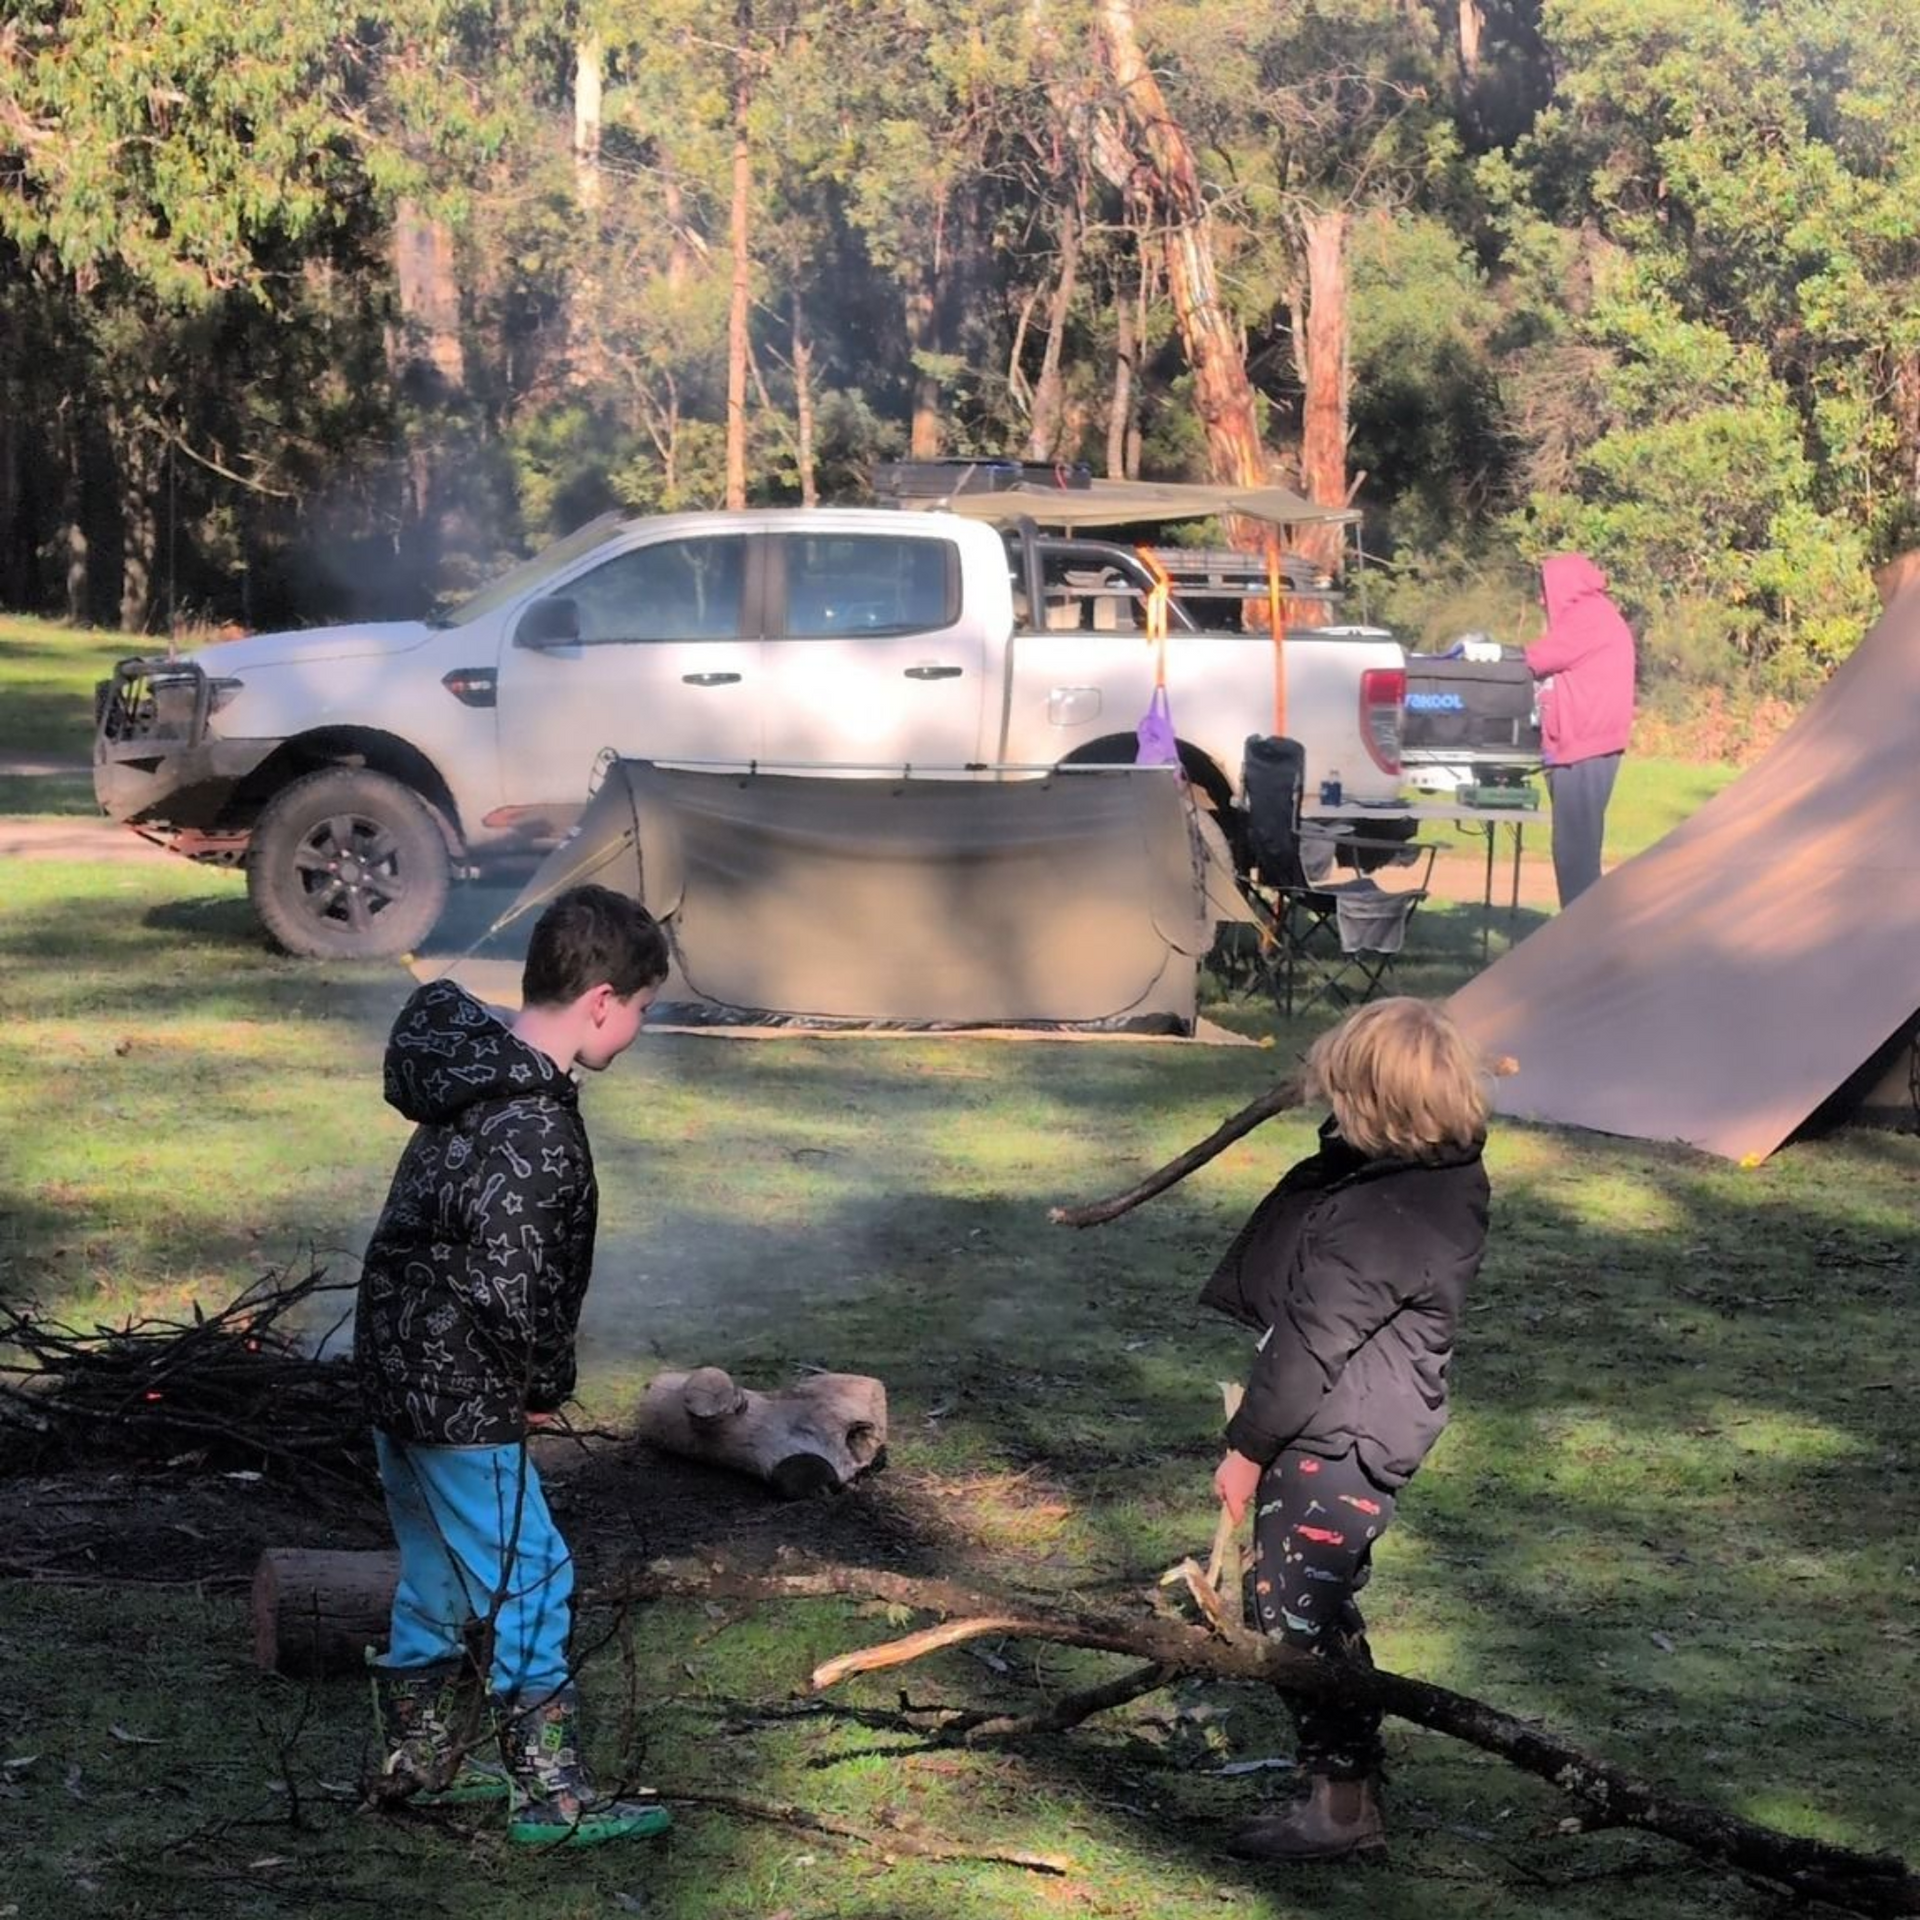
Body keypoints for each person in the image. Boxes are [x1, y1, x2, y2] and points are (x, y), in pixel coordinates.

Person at [354, 883, 673, 1848]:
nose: (641, 1029)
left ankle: (420, 1764)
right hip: (459, 1387)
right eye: (647, 1011)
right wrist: (531, 1390)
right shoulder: (535, 1122)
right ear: (605, 1001)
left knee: (439, 1574)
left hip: (395, 1370)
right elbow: (507, 1281)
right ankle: (552, 1798)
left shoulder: (471, 1076)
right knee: (530, 1575)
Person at [1200, 997, 1490, 1861]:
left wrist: (1249, 1450)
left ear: (1381, 1105)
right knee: (1313, 1601)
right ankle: (1345, 1774)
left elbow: (1310, 1348)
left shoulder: (1386, 1217)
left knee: (1294, 1616)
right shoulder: (1428, 1171)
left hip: (1341, 1438)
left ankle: (1340, 1808)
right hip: (1349, 1422)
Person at [1525, 552, 1637, 908]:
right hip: (1581, 745)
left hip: (1584, 747)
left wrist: (1491, 657)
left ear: (1562, 586)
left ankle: (1584, 939)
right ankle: (1585, 935)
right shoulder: (1594, 615)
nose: (1542, 599)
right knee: (1576, 851)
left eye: (1545, 589)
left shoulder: (1586, 617)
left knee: (1575, 853)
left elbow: (1536, 659)